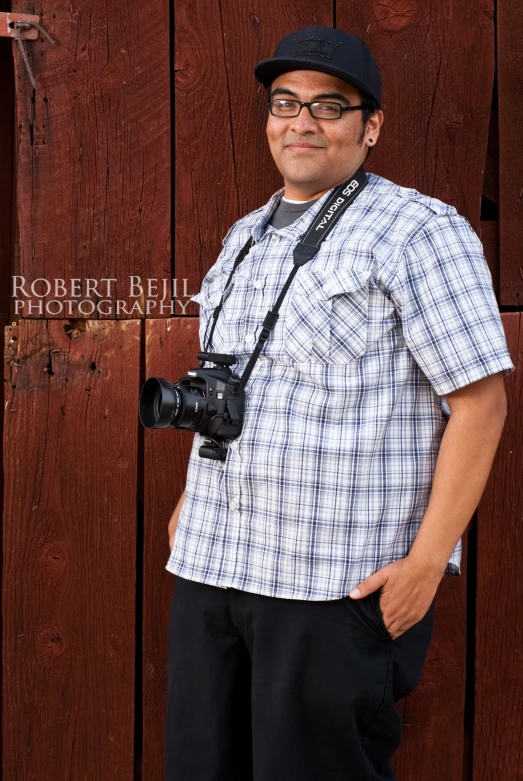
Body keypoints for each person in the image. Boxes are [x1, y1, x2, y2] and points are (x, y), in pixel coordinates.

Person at [164, 25, 515, 781]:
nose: (301, 122)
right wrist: (191, 503)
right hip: (212, 568)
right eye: (285, 103)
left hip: (330, 584)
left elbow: (480, 403)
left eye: (329, 106)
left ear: (371, 124)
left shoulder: (418, 231)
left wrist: (428, 560)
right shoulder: (243, 237)